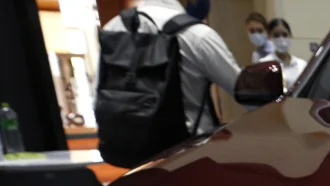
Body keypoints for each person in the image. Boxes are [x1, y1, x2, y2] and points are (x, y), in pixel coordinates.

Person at [103, 0, 241, 135]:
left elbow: (101, 92)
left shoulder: (113, 28)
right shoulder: (196, 34)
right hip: (190, 148)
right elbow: (242, 91)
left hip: (128, 147)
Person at [260, 19, 308, 91]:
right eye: (276, 35)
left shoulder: (302, 65)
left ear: (290, 36)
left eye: (285, 35)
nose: (281, 39)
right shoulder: (263, 64)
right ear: (269, 38)